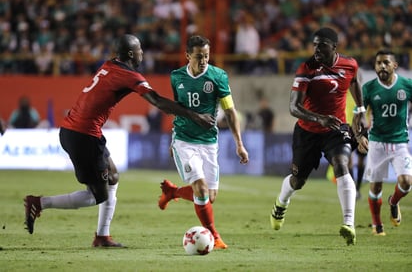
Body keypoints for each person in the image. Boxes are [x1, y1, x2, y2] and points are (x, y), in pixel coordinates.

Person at [23, 34, 215, 247]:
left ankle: (103, 236)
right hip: (83, 135)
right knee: (96, 196)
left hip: (78, 131)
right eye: (140, 49)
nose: (143, 53)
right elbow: (157, 101)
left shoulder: (109, 65)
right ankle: (39, 203)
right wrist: (195, 116)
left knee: (112, 176)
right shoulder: (129, 75)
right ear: (132, 54)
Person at [269, 27, 367, 246]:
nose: (316, 49)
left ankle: (349, 223)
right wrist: (319, 118)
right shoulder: (306, 68)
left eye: (321, 44)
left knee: (342, 165)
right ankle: (281, 203)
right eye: (314, 44)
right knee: (297, 181)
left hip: (336, 128)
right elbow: (293, 107)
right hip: (308, 131)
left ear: (334, 47)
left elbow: (354, 82)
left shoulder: (349, 64)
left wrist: (360, 111)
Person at [157, 35, 249, 249]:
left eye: (207, 56)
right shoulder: (176, 77)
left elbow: (230, 111)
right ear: (188, 56)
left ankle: (173, 192)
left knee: (210, 196)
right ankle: (214, 236)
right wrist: (173, 142)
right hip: (184, 140)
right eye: (199, 56)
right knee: (200, 188)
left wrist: (239, 144)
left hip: (209, 142)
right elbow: (178, 110)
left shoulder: (218, 76)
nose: (204, 60)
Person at [362, 50, 412, 236]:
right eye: (378, 63)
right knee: (375, 186)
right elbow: (359, 115)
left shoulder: (406, 85)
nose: (382, 66)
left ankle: (393, 202)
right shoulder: (368, 88)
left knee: (406, 182)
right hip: (377, 143)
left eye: (386, 62)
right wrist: (360, 135)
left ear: (394, 65)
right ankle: (377, 225)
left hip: (400, 143)